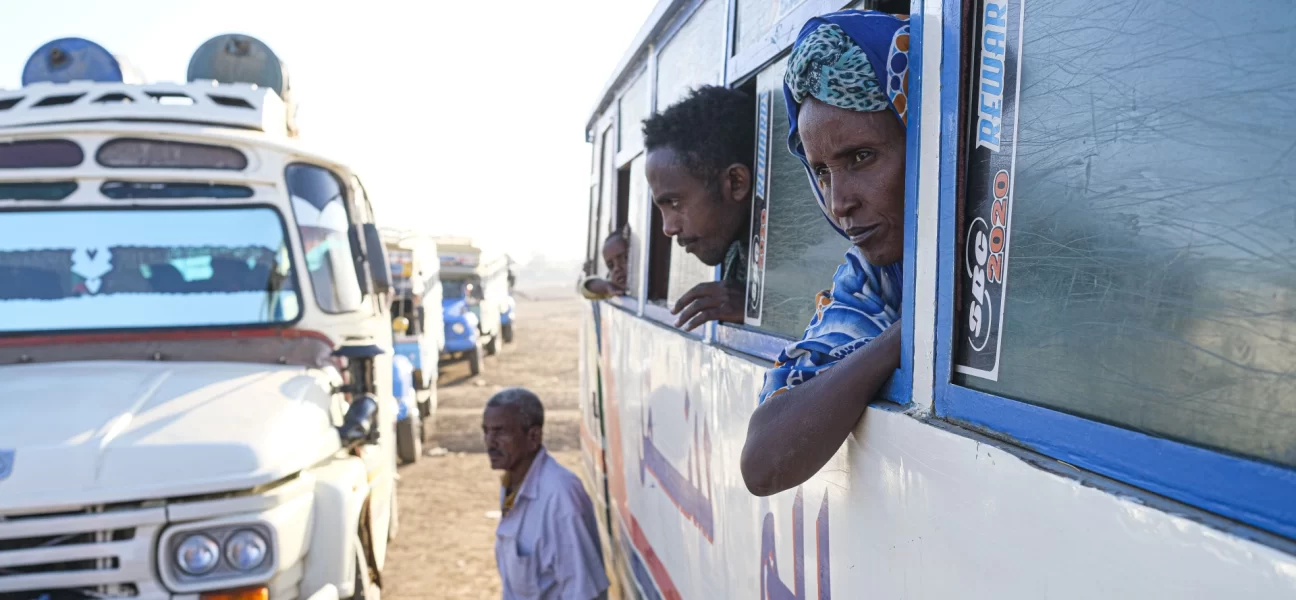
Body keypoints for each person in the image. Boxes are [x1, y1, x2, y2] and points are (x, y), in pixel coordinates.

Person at [740, 10, 910, 497]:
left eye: (861, 157)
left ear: (924, 138)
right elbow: (765, 462)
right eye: (821, 171)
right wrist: (912, 335)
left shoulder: (1027, 243)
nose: (839, 202)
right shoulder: (875, 280)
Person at [642, 85, 755, 331]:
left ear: (736, 182)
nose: (668, 228)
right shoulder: (739, 253)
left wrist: (763, 310)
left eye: (674, 203)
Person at [483, 388, 610, 600]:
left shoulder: (561, 498)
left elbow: (585, 593)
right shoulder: (512, 484)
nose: (489, 441)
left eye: (500, 432)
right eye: (486, 431)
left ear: (533, 437)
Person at [577, 225, 630, 300]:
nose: (617, 268)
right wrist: (607, 286)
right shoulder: (614, 291)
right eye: (611, 265)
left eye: (625, 258)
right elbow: (585, 288)